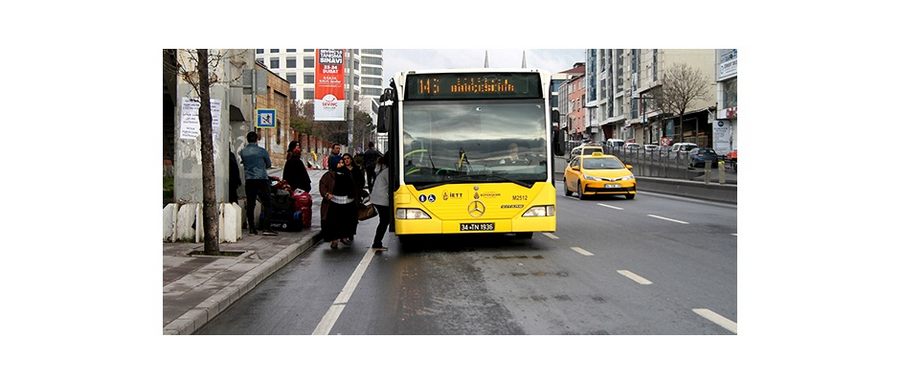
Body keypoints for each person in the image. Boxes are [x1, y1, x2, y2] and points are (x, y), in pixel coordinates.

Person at [239, 131, 276, 236]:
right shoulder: (262, 151)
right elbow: (268, 164)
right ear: (257, 139)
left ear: (247, 139)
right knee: (268, 203)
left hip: (249, 180)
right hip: (262, 180)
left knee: (251, 204)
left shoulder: (243, 152)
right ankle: (266, 227)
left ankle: (252, 228)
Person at [319, 154, 359, 249]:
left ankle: (344, 237)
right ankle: (334, 240)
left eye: (342, 162)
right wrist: (326, 194)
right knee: (333, 222)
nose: (342, 164)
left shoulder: (347, 172)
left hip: (347, 201)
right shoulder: (329, 175)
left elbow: (353, 185)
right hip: (333, 202)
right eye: (339, 163)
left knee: (345, 221)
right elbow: (322, 186)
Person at [369, 153, 391, 252]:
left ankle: (377, 242)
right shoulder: (387, 171)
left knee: (384, 221)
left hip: (377, 198)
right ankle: (377, 243)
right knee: (384, 221)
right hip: (382, 199)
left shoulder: (381, 168)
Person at [342, 153, 365, 241]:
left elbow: (361, 181)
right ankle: (345, 233)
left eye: (348, 158)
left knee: (353, 216)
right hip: (344, 196)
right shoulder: (342, 170)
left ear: (351, 159)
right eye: (344, 159)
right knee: (344, 216)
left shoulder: (356, 170)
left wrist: (358, 191)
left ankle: (351, 232)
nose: (346, 160)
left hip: (355, 196)